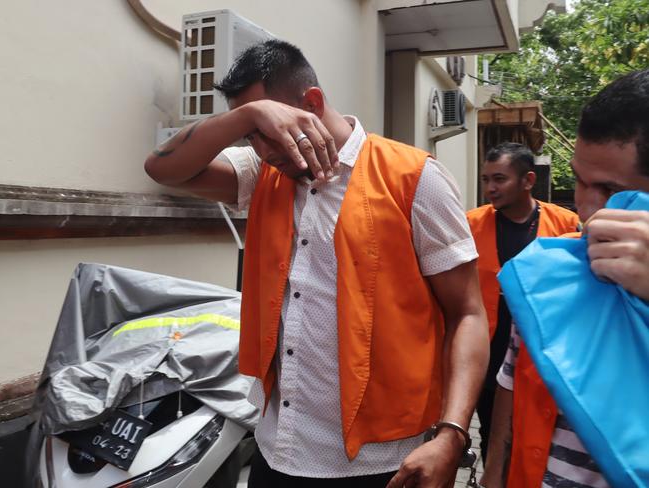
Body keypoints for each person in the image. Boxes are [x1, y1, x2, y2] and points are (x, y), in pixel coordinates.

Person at [144, 39, 489, 487]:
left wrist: (452, 434)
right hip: (277, 448)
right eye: (253, 135)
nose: (263, 149)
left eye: (270, 130)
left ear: (312, 103)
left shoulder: (414, 179)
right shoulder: (261, 174)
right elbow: (163, 170)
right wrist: (248, 117)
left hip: (382, 462)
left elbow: (468, 313)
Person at [481, 69, 649, 487]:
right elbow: (511, 380)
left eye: (611, 190)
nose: (587, 208)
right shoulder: (548, 269)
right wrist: (493, 475)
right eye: (579, 179)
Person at [466, 143, 579, 462]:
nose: (490, 188)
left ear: (528, 180)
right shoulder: (471, 224)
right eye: (486, 179)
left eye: (499, 179)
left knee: (541, 438)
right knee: (493, 435)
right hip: (489, 349)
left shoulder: (565, 224)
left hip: (543, 352)